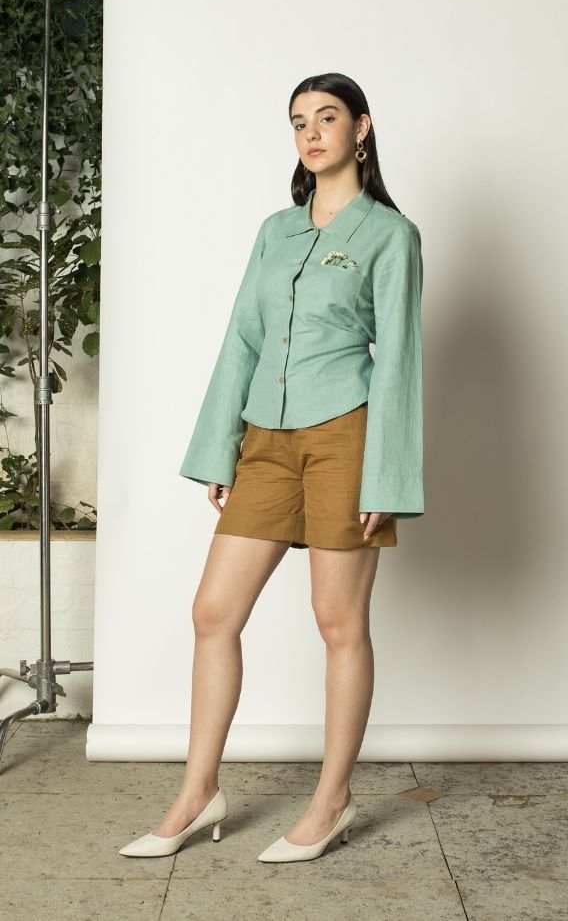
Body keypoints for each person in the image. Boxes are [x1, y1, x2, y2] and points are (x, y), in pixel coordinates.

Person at [119, 72, 424, 863]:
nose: (311, 133)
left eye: (327, 117)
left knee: (338, 621)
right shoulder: (274, 231)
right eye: (298, 122)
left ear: (361, 128)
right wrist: (220, 446)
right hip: (265, 440)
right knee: (213, 612)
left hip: (346, 435)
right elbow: (242, 339)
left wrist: (387, 479)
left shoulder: (390, 235)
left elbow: (398, 360)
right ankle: (197, 793)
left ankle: (332, 801)